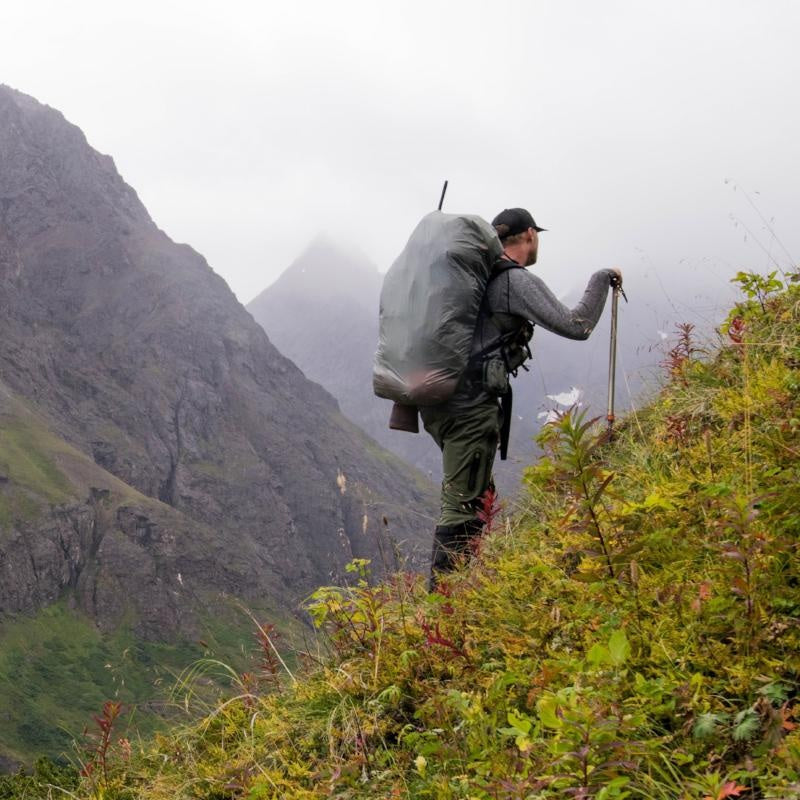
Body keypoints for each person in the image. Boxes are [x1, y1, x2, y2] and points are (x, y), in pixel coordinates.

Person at [421, 207, 622, 589]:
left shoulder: (473, 278)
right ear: (529, 234)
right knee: (462, 504)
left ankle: (463, 590)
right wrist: (602, 278)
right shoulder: (512, 280)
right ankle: (439, 608)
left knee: (477, 494)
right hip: (470, 406)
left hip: (438, 401)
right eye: (537, 236)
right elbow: (576, 325)